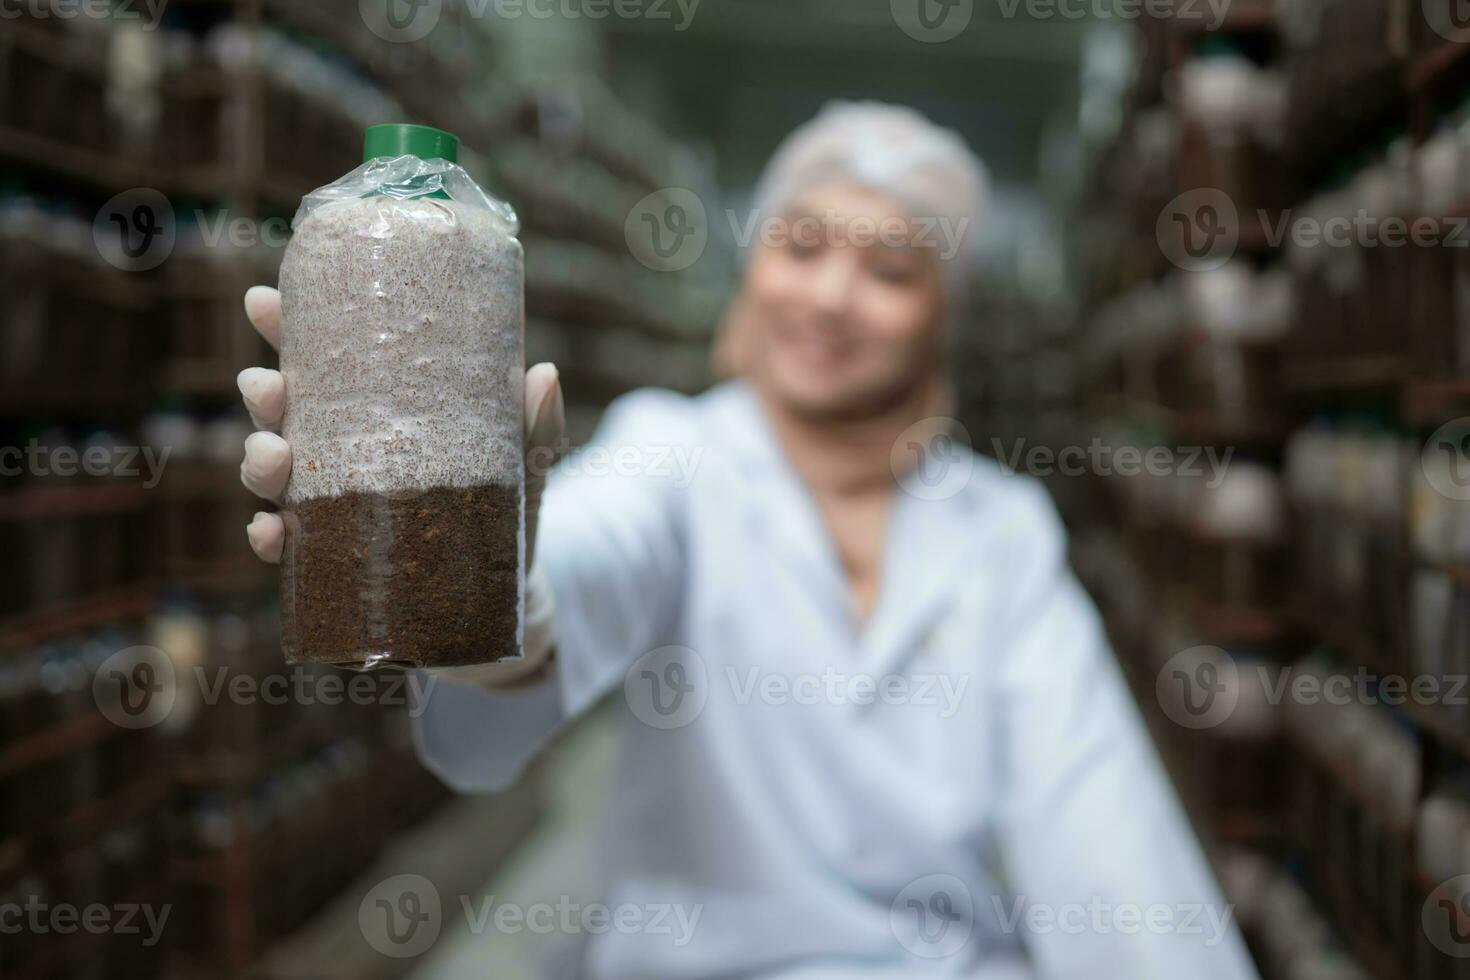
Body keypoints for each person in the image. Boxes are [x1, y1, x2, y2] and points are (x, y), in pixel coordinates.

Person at [236, 102, 1260, 980]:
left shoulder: (996, 528)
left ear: (941, 317)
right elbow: (584, 574)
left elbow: (1102, 831)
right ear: (752, 265)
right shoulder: (676, 456)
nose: (829, 297)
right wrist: (486, 572)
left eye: (890, 269)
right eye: (801, 246)